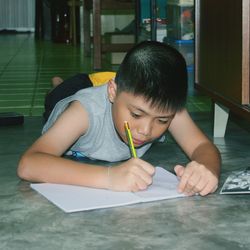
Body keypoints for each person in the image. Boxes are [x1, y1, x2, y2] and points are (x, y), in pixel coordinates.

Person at [17, 41, 221, 196]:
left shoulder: (163, 106)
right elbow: (29, 164)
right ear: (113, 92)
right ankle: (56, 84)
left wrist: (206, 169)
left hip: (113, 85)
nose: (145, 130)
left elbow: (202, 147)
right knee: (56, 96)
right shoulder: (83, 111)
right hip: (75, 92)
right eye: (136, 115)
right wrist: (109, 177)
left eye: (162, 121)